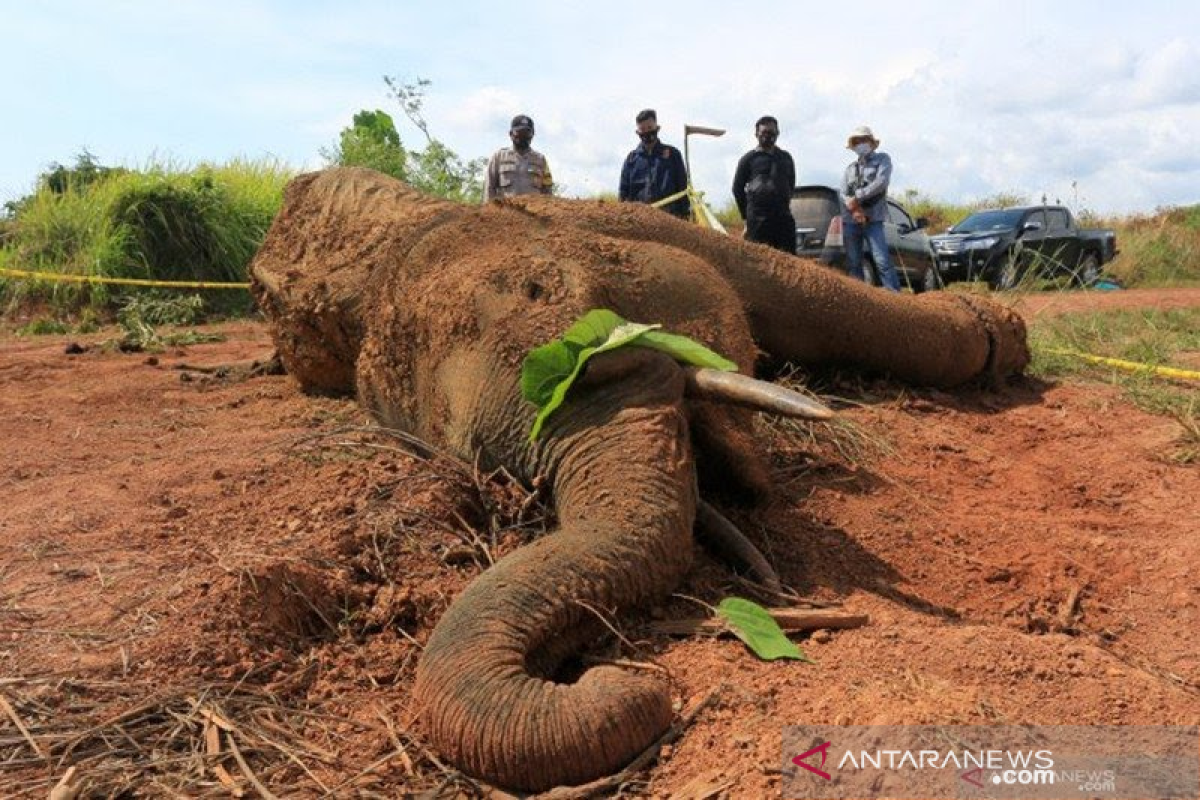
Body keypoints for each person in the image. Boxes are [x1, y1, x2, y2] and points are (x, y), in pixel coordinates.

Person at [840, 125, 899, 291]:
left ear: (872, 142)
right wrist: (854, 209)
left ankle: (895, 296)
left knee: (882, 260)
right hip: (852, 220)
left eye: (864, 140)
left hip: (874, 218)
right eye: (857, 141)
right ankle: (858, 297)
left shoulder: (883, 159)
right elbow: (843, 193)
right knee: (853, 262)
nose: (860, 143)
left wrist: (857, 197)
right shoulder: (850, 169)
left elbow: (881, 183)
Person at [732, 116, 797, 253]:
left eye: (772, 133)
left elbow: (791, 184)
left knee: (789, 259)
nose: (768, 137)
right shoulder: (748, 159)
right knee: (760, 259)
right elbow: (737, 189)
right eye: (764, 133)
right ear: (757, 134)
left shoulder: (785, 158)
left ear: (778, 134)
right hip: (758, 219)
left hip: (783, 218)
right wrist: (746, 218)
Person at [618, 109, 690, 219]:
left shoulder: (673, 155)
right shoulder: (631, 160)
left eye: (650, 128)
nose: (647, 132)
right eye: (643, 129)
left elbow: (682, 187)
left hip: (671, 220)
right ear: (638, 132)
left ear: (657, 128)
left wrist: (686, 214)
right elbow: (623, 194)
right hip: (639, 221)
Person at [482, 115, 553, 203]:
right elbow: (489, 188)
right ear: (511, 134)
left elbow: (547, 190)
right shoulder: (498, 157)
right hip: (506, 214)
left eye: (526, 133)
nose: (523, 136)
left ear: (532, 134)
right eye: (519, 132)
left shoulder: (540, 160)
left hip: (535, 214)